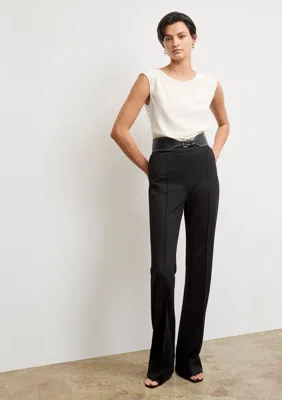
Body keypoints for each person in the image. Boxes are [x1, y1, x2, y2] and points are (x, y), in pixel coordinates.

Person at [110, 11, 230, 388]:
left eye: (180, 35)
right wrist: (151, 168)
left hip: (202, 169)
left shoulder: (210, 83)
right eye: (167, 38)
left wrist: (213, 153)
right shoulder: (150, 79)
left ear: (194, 38)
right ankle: (161, 362)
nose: (175, 43)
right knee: (163, 268)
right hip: (165, 167)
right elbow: (119, 129)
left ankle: (189, 356)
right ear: (162, 44)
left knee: (200, 263)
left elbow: (224, 123)